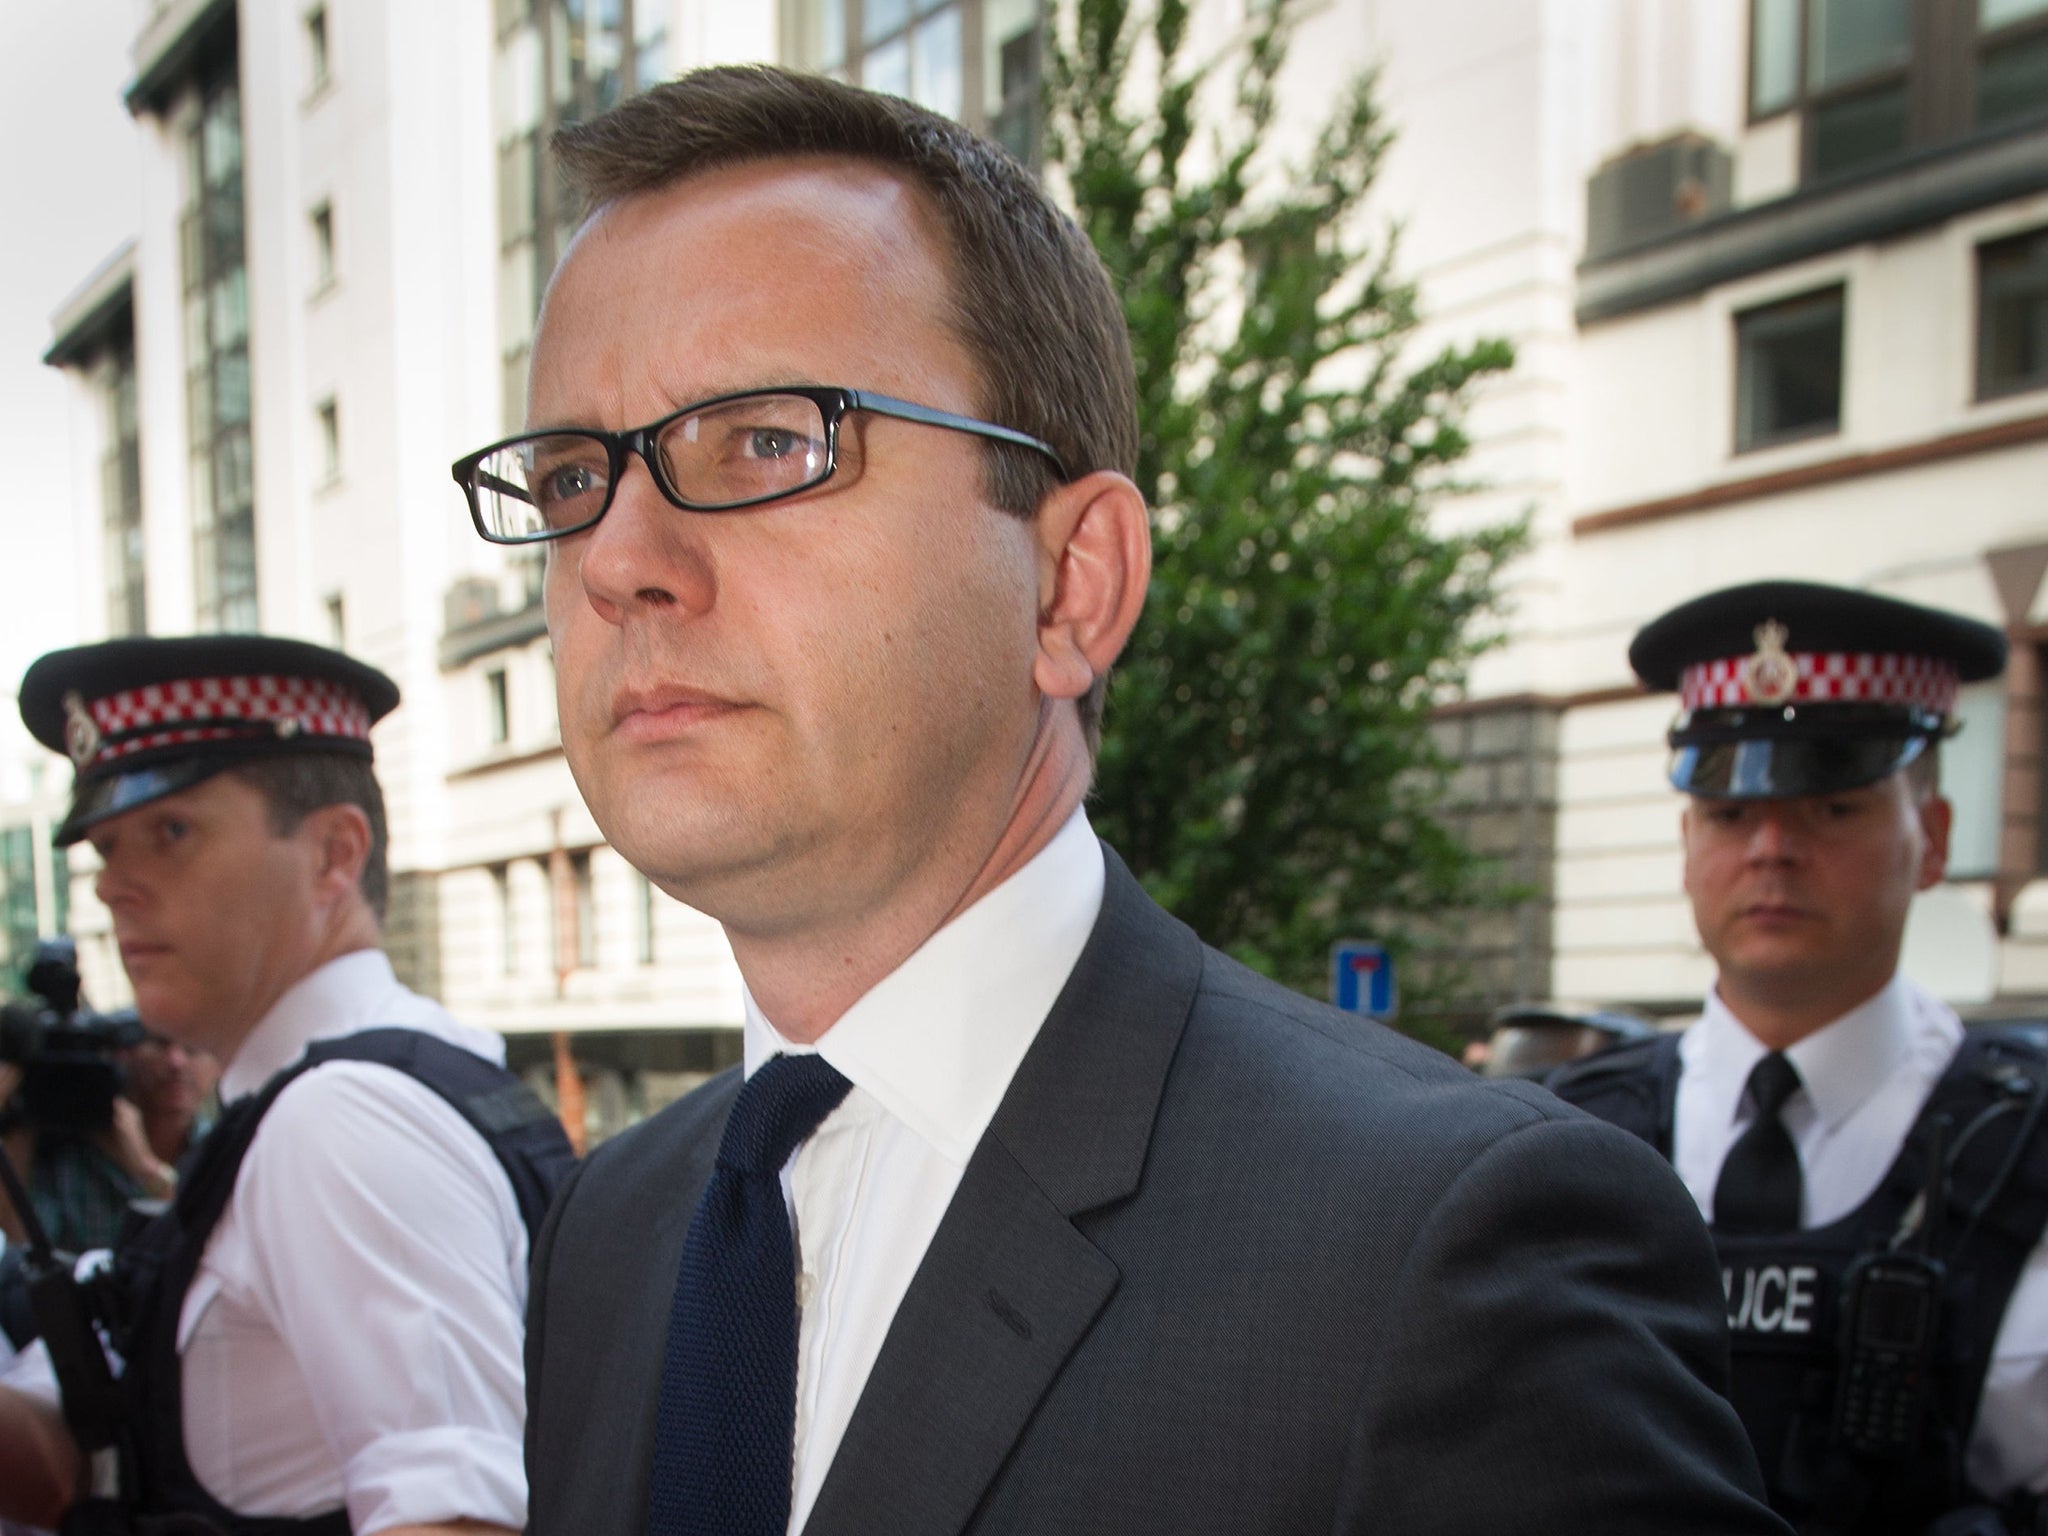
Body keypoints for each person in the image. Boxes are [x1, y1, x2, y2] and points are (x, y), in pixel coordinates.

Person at [469, 66, 1785, 1536]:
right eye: (574, 476)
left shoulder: (1446, 1252)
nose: (616, 559)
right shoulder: (606, 1230)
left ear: (1070, 582)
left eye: (770, 441)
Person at [0, 634, 575, 1536]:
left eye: (171, 834)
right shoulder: (375, 1081)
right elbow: (70, 1464)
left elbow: (462, 1519)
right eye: (105, 848)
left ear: (333, 857)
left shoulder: (339, 1121)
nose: (113, 885)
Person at [1550, 580, 2047, 1534]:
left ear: (1932, 840)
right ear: (1687, 842)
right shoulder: (1560, 1135)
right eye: (1731, 815)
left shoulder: (2026, 1148)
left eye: (1832, 808)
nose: (1772, 848)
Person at [0, 1020, 218, 1256]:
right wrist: (14, 1126)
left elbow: (215, 1238)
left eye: (192, 1049)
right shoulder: (67, 1150)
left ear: (218, 1066)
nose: (176, 1062)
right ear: (123, 1057)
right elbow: (23, 1246)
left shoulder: (224, 1146)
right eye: (159, 1044)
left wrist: (146, 1168)